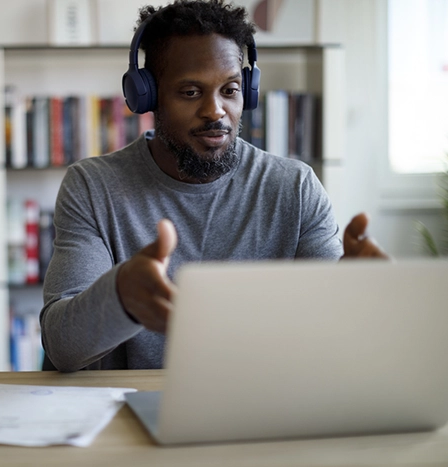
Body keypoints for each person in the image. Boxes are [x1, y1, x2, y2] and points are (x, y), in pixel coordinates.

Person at [40, 0, 387, 372]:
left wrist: (358, 297)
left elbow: (332, 340)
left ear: (248, 93)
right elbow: (62, 347)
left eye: (230, 90)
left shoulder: (295, 189)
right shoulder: (93, 188)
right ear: (150, 96)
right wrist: (120, 294)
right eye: (191, 92)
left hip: (262, 408)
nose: (215, 111)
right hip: (130, 411)